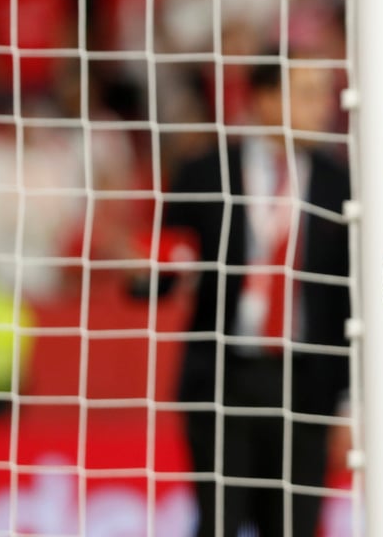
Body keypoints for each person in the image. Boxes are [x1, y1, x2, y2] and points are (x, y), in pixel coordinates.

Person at [156, 59, 351, 537]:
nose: (323, 107)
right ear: (266, 99)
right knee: (218, 523)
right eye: (308, 93)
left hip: (306, 387)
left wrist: (349, 402)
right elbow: (167, 267)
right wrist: (145, 273)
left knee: (295, 527)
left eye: (324, 93)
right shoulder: (205, 173)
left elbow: (346, 302)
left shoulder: (340, 184)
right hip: (222, 380)